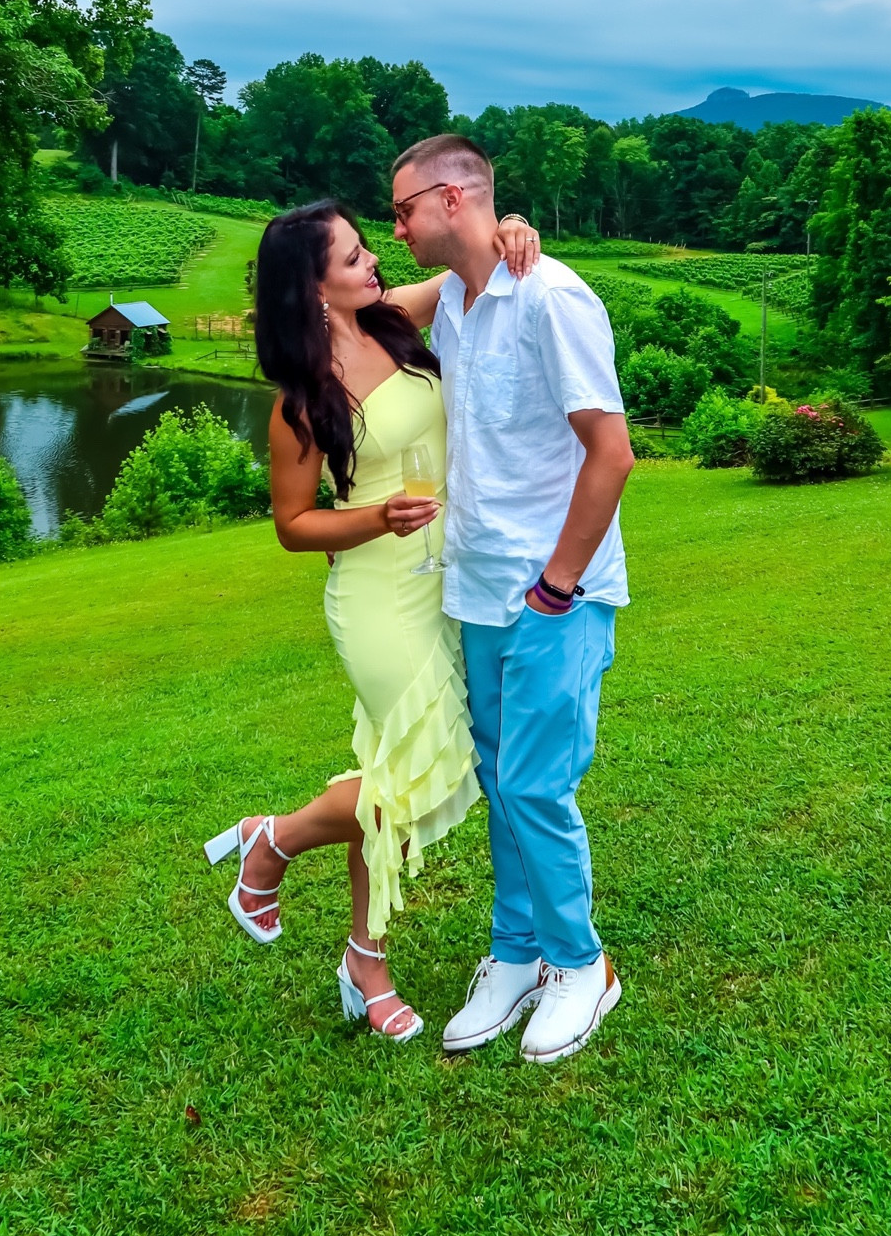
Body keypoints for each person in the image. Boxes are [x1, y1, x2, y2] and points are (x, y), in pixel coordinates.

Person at [203, 198, 539, 1042]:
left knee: (397, 777)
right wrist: (373, 518)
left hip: (446, 580)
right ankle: (283, 852)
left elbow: (471, 269)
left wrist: (512, 229)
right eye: (352, 259)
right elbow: (292, 524)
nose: (371, 266)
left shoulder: (392, 321)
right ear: (312, 287)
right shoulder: (299, 400)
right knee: (414, 776)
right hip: (377, 592)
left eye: (366, 251)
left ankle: (353, 940)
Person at [391, 134, 634, 1065]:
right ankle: (517, 952)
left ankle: (582, 965)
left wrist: (556, 588)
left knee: (537, 781)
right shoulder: (456, 296)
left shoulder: (553, 296)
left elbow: (610, 453)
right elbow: (357, 306)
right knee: (502, 782)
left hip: (551, 594)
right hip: (481, 587)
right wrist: (493, 242)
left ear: (451, 198)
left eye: (406, 207)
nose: (397, 225)